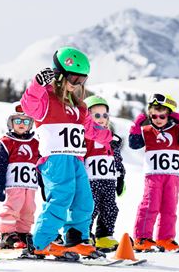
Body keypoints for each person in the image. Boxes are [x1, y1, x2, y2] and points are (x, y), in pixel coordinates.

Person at [20, 47, 112, 259]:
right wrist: (37, 84)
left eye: (82, 79)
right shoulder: (46, 100)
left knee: (84, 200)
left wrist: (108, 137)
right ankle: (40, 242)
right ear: (59, 74)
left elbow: (90, 129)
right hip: (55, 159)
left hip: (76, 159)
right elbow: (29, 106)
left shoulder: (79, 106)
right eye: (73, 77)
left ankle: (76, 238)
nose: (77, 83)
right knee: (60, 198)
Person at [128, 93, 179, 252]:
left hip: (172, 176)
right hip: (153, 176)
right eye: (154, 115)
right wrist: (136, 126)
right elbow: (134, 145)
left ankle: (165, 239)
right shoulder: (147, 130)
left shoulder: (177, 130)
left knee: (169, 209)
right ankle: (142, 238)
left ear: (169, 116)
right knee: (150, 205)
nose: (158, 119)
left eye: (162, 116)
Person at [0, 104, 41, 249]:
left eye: (25, 121)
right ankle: (6, 233)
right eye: (17, 121)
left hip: (30, 185)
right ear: (11, 123)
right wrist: (0, 183)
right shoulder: (6, 142)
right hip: (14, 183)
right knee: (13, 206)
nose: (21, 124)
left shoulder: (35, 143)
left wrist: (43, 182)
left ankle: (22, 233)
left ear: (30, 124)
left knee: (29, 208)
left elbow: (41, 162)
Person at [83, 95, 126, 252]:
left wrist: (121, 177)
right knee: (90, 208)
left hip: (108, 180)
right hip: (90, 181)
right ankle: (84, 233)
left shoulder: (111, 139)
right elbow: (80, 157)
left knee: (110, 208)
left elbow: (117, 159)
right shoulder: (85, 137)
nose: (101, 119)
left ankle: (105, 236)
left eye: (104, 115)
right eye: (96, 115)